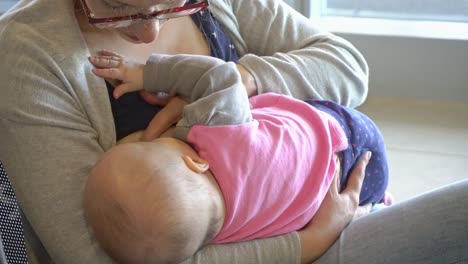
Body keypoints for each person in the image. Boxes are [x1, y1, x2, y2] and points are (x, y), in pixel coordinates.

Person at [0, 0, 466, 263]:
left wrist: (239, 82)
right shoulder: (30, 54)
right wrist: (304, 245)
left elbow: (346, 68)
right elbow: (93, 260)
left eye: (175, 4)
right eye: (119, 9)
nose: (150, 33)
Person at [83, 52, 393, 263]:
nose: (150, 136)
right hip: (344, 134)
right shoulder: (219, 133)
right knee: (277, 114)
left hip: (350, 192)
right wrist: (148, 74)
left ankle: (379, 203)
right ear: (195, 162)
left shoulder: (217, 241)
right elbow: (220, 75)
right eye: (148, 145)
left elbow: (295, 248)